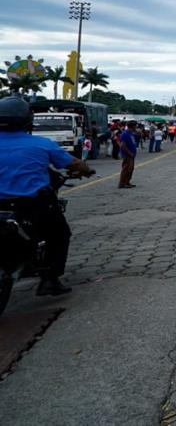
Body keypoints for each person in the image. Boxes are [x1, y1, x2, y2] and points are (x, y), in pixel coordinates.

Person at [0, 97, 95, 295]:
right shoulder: (42, 145)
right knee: (60, 234)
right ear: (28, 121)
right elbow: (75, 164)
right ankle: (50, 279)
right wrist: (87, 170)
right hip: (31, 204)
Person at [118, 121, 139, 188]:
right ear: (132, 126)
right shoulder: (125, 134)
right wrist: (129, 153)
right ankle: (122, 183)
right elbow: (122, 145)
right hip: (127, 155)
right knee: (126, 169)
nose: (136, 127)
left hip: (131, 155)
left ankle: (127, 182)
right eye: (135, 126)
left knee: (130, 169)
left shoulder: (131, 134)